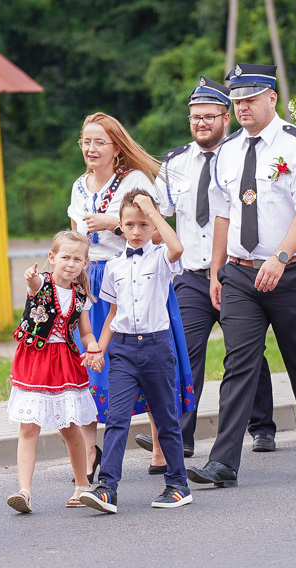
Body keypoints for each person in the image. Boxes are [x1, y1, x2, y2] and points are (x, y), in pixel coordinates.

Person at [187, 63, 296, 487]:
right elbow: (222, 214)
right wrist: (216, 271)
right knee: (239, 363)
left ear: (272, 98)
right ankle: (223, 463)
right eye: (236, 101)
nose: (242, 108)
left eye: (250, 99)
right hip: (240, 275)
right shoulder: (229, 150)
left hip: (290, 273)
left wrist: (282, 256)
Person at [138, 76, 279, 465]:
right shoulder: (173, 162)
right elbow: (156, 215)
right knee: (186, 353)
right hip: (190, 276)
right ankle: (180, 439)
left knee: (245, 351)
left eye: (209, 116)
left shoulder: (241, 155)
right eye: (195, 117)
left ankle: (263, 427)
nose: (201, 123)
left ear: (226, 118)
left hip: (235, 273)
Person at [67, 113, 193, 481]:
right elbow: (76, 233)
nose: (90, 149)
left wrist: (114, 224)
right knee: (94, 365)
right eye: (85, 142)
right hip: (94, 276)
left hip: (137, 273)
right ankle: (90, 453)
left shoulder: (135, 180)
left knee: (150, 359)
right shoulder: (79, 185)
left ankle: (158, 448)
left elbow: (154, 235)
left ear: (116, 147)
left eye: (98, 142)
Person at [80, 189, 192, 512]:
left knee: (165, 417)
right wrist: (99, 349)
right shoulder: (114, 266)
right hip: (125, 351)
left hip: (157, 347)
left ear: (153, 226)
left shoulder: (161, 258)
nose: (137, 231)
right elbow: (113, 315)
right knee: (116, 419)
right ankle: (107, 488)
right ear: (121, 227)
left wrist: (152, 212)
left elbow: (177, 247)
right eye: (130, 224)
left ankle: (177, 484)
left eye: (144, 225)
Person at [6, 231, 101, 512]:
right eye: (64, 257)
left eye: (77, 259)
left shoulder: (80, 296)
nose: (70, 263)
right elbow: (34, 284)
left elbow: (86, 334)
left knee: (70, 429)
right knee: (29, 427)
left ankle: (82, 484)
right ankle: (24, 491)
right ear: (52, 258)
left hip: (64, 364)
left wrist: (93, 348)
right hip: (35, 361)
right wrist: (30, 277)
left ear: (85, 263)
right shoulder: (42, 283)